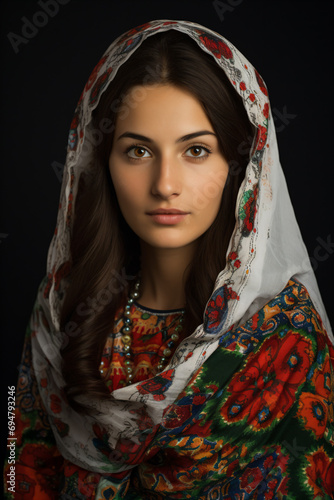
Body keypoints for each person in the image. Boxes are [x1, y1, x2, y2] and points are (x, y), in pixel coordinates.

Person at [3, 19, 334, 499]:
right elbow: (15, 463)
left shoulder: (283, 338)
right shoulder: (60, 312)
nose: (164, 184)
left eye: (196, 150)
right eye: (138, 150)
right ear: (101, 162)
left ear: (241, 167)